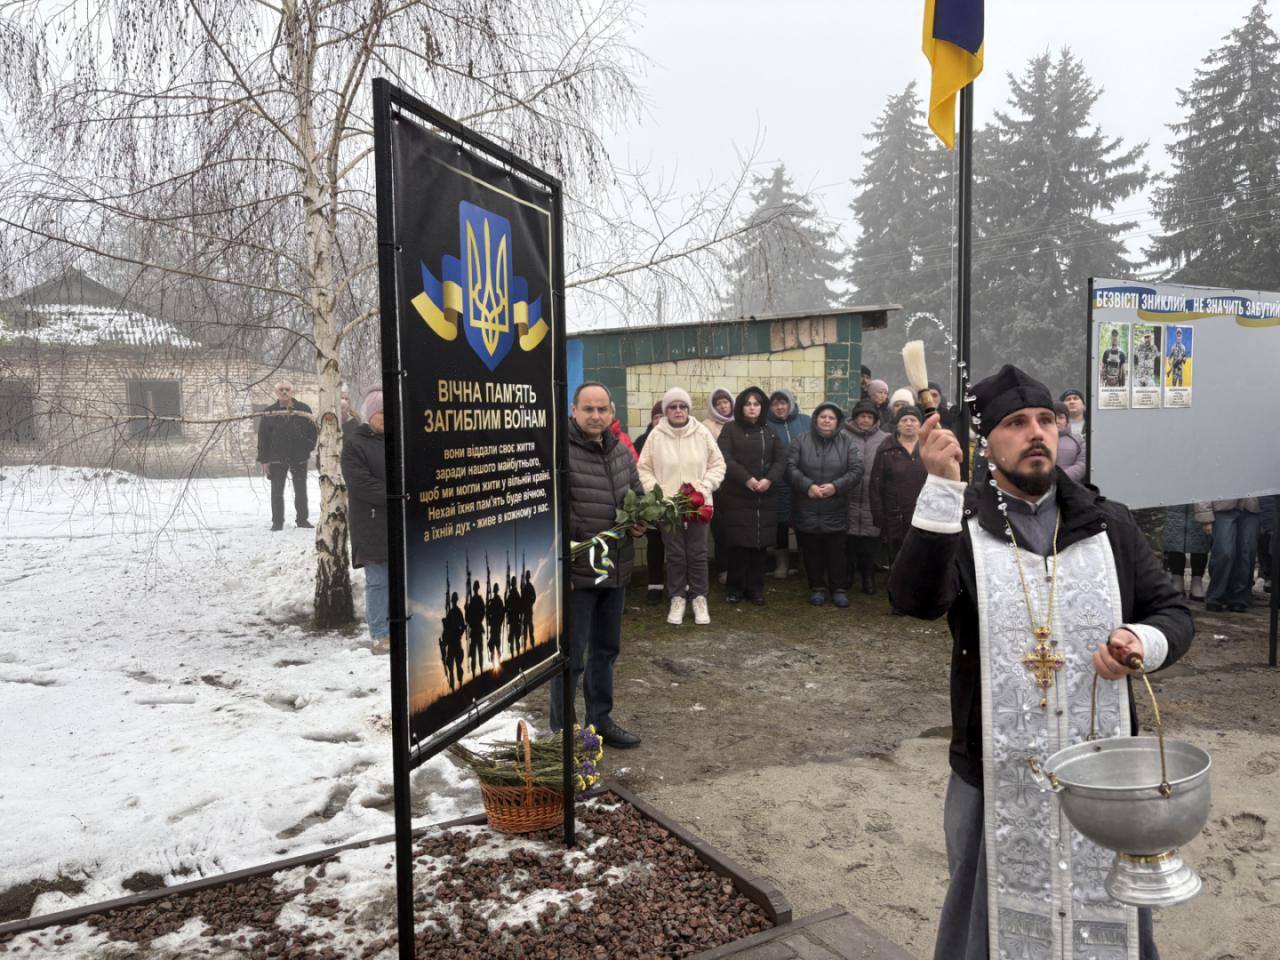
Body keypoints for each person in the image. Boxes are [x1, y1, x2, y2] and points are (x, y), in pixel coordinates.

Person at [890, 363, 1192, 960]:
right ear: (986, 441)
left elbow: (1173, 614)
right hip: (992, 769)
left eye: (1046, 420)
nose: (1036, 433)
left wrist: (1138, 640)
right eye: (1016, 422)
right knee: (985, 920)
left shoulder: (1109, 524)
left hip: (1102, 770)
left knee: (1107, 906)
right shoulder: (964, 521)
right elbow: (914, 601)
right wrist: (945, 486)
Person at [550, 381, 645, 748]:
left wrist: (639, 521)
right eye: (588, 408)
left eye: (602, 409)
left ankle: (600, 719)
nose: (595, 415)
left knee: (606, 650)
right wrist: (561, 570)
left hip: (615, 568)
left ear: (612, 413)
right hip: (577, 574)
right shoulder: (560, 454)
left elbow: (634, 497)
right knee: (570, 658)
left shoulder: (621, 453)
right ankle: (564, 733)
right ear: (573, 411)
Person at [637, 387, 726, 626]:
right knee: (675, 554)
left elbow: (718, 464)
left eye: (682, 406)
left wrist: (704, 488)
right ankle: (677, 597)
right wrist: (658, 494)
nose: (678, 411)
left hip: (698, 505)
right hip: (669, 507)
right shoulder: (656, 435)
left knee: (697, 553)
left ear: (688, 409)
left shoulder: (702, 433)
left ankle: (699, 597)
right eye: (673, 407)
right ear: (666, 411)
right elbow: (644, 468)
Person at [787, 401, 863, 608]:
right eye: (823, 417)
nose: (826, 420)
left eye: (831, 418)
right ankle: (817, 587)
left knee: (837, 552)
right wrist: (808, 486)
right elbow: (790, 468)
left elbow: (856, 470)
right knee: (812, 551)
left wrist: (835, 487)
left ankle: (838, 589)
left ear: (837, 422)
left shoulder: (847, 443)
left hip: (835, 507)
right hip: (807, 506)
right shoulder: (801, 441)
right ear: (815, 419)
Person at [715, 386, 784, 605]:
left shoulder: (770, 431)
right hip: (737, 495)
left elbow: (781, 460)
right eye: (748, 404)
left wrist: (769, 479)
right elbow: (725, 457)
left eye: (756, 404)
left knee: (759, 546)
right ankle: (734, 588)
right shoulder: (730, 429)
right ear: (741, 407)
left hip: (764, 496)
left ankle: (755, 588)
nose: (752, 408)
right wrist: (747, 479)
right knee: (737, 545)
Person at [340, 389, 389, 654]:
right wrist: (395, 495)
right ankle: (380, 634)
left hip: (396, 521)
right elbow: (359, 483)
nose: (386, 418)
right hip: (371, 524)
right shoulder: (355, 444)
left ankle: (397, 627)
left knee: (398, 579)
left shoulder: (397, 440)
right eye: (382, 412)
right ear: (371, 415)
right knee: (378, 580)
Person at [869, 405, 927, 565]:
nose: (909, 423)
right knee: (898, 559)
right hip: (895, 516)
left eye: (913, 420)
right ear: (898, 424)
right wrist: (879, 516)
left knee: (922, 557)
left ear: (920, 424)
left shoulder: (928, 448)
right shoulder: (886, 449)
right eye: (904, 420)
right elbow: (876, 485)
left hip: (924, 514)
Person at [256, 381, 318, 530]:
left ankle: (302, 520)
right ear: (276, 392)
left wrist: (307, 447)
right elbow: (263, 437)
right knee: (277, 491)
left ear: (292, 391)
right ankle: (277, 522)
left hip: (299, 457)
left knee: (301, 490)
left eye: (287, 389)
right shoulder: (269, 412)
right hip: (276, 457)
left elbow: (313, 431)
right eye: (281, 390)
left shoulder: (303, 409)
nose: (284, 392)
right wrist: (264, 460)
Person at [844, 399, 888, 595]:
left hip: (873, 497)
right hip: (848, 496)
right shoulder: (843, 436)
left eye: (869, 417)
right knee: (848, 540)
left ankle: (868, 577)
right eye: (862, 416)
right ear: (855, 417)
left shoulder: (885, 438)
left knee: (870, 543)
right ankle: (847, 575)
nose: (865, 420)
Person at [767, 389, 811, 579]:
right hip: (778, 482)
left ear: (791, 403)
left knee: (803, 522)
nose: (780, 407)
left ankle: (805, 563)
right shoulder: (766, 424)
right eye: (775, 403)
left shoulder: (806, 421)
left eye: (783, 403)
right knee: (780, 523)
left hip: (803, 481)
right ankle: (782, 565)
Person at [1196, 497, 1261, 612]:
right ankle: (1216, 596)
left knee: (1247, 553)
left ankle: (1239, 598)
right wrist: (1205, 516)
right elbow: (1203, 484)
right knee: (1224, 552)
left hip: (1251, 508)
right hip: (1222, 506)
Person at [634, 401, 667, 605]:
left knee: (677, 547)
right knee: (655, 544)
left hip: (674, 501)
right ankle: (655, 585)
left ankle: (681, 586)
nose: (660, 421)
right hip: (651, 502)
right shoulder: (641, 442)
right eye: (656, 417)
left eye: (663, 417)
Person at [702, 386, 735, 584]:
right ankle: (723, 567)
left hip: (739, 483)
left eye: (725, 402)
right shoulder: (706, 426)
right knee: (720, 527)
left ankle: (737, 566)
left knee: (736, 527)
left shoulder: (740, 422)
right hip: (718, 486)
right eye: (718, 404)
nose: (723, 406)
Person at [1162, 503, 1209, 600]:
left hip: (1200, 504)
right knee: (1174, 541)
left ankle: (1197, 581)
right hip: (1174, 504)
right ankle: (1177, 579)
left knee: (1200, 542)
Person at [1053, 402, 1085, 482]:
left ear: (1067, 421)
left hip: (1071, 488)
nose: (1057, 421)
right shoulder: (1039, 438)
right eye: (1053, 417)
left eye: (1061, 417)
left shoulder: (1078, 440)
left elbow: (1082, 464)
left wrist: (1061, 479)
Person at [465, 580, 486, 678]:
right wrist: (466, 610)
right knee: (474, 653)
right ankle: (474, 673)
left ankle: (481, 671)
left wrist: (477, 621)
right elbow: (467, 618)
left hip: (477, 628)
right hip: (474, 630)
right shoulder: (472, 601)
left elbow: (483, 612)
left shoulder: (478, 599)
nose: (475, 589)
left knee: (479, 651)